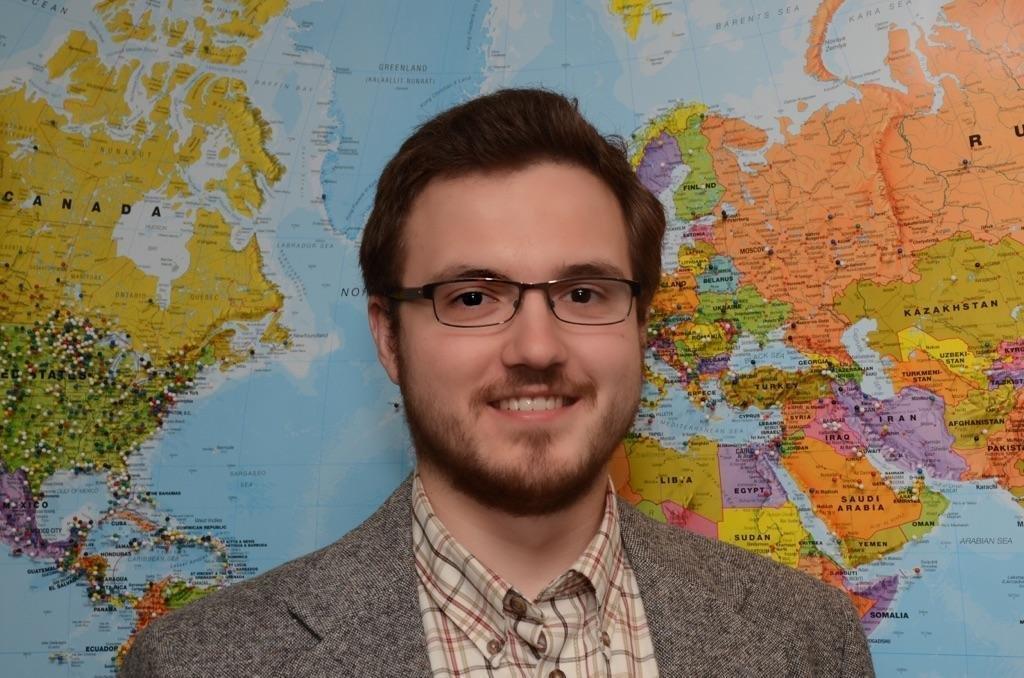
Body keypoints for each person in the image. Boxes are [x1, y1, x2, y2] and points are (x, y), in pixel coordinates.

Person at [120, 88, 874, 677]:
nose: (536, 348)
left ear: (640, 326)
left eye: (584, 292)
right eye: (473, 297)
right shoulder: (196, 665)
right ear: (388, 337)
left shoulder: (808, 643)